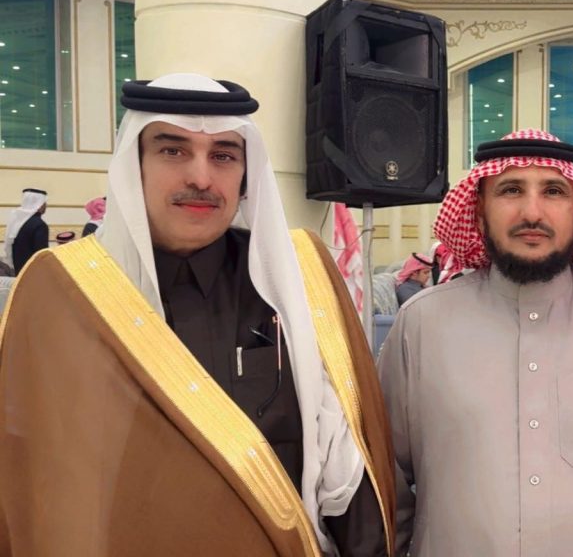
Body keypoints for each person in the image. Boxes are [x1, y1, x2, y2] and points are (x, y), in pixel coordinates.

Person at [0, 74, 394, 556]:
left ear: (245, 176)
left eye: (223, 155)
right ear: (134, 166)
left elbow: (348, 474)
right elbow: (30, 479)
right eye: (173, 150)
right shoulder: (60, 291)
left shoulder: (297, 278)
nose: (201, 178)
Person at [378, 129, 573, 556]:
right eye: (511, 190)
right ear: (479, 209)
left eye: (554, 191)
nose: (531, 212)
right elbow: (387, 492)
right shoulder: (421, 323)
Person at [4, 187, 48, 275]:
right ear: (39, 205)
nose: (46, 206)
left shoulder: (16, 222)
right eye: (44, 203)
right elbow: (41, 254)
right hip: (34, 273)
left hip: (19, 270)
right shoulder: (40, 225)